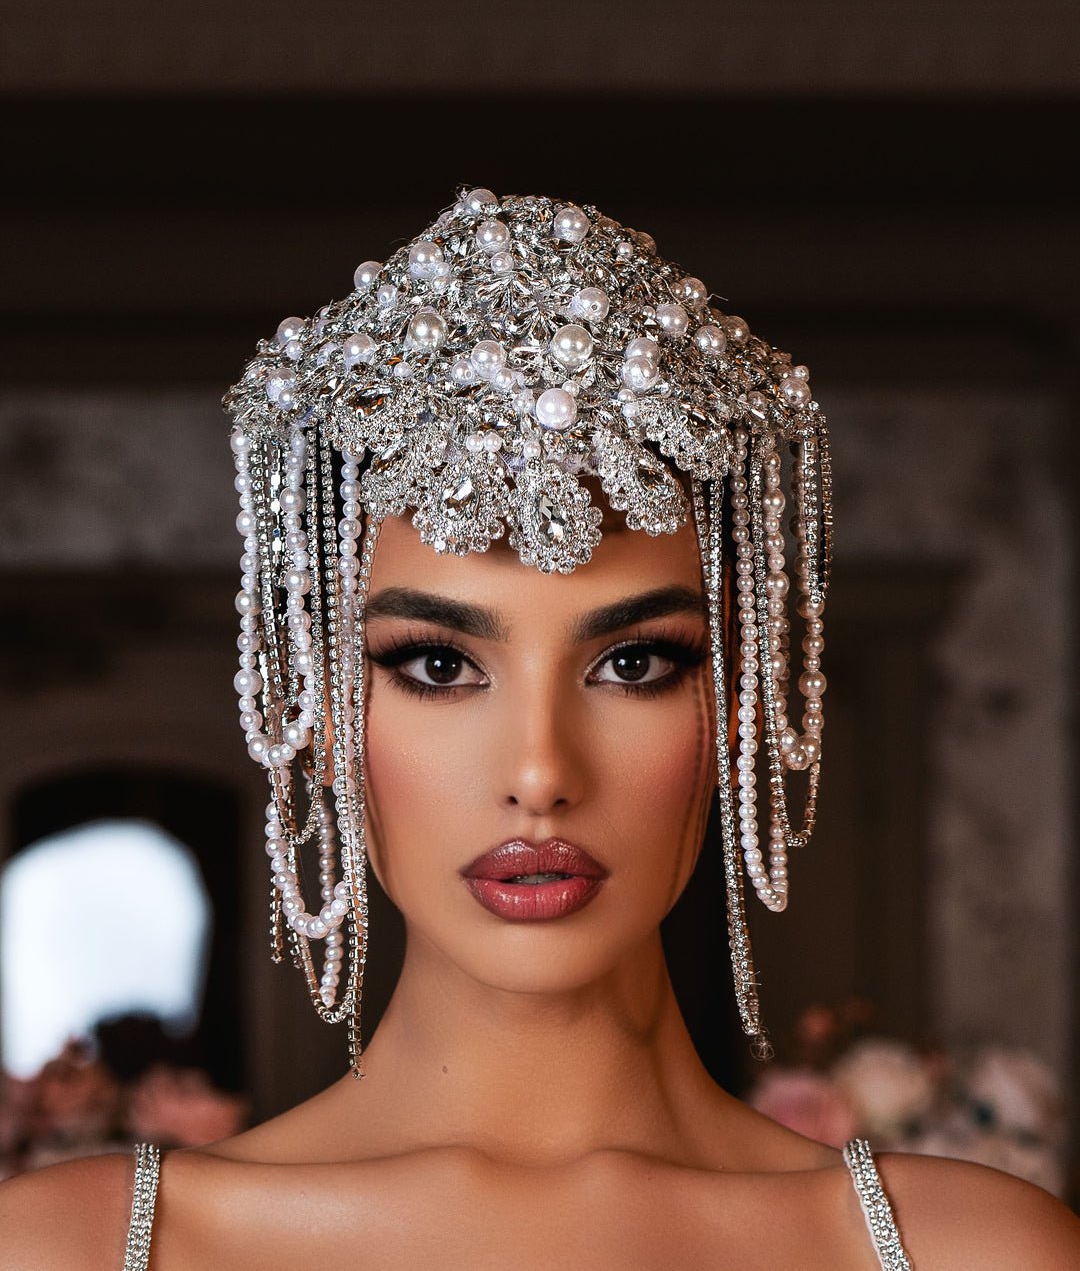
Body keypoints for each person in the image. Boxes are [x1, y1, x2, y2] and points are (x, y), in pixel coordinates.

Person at [2, 188, 1078, 1269]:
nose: (539, 772)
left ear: (739, 707)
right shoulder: (68, 1250)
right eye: (437, 665)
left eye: (633, 664)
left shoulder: (973, 1252)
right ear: (317, 712)